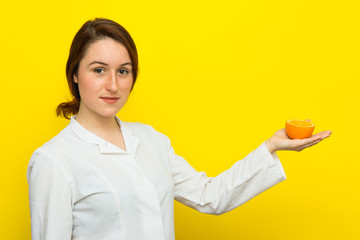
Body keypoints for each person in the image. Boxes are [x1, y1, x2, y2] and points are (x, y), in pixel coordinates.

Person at [26, 18, 332, 240]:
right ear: (75, 74)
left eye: (123, 71)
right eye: (98, 70)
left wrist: (270, 147)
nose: (113, 85)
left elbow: (209, 196)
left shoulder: (151, 140)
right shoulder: (54, 160)